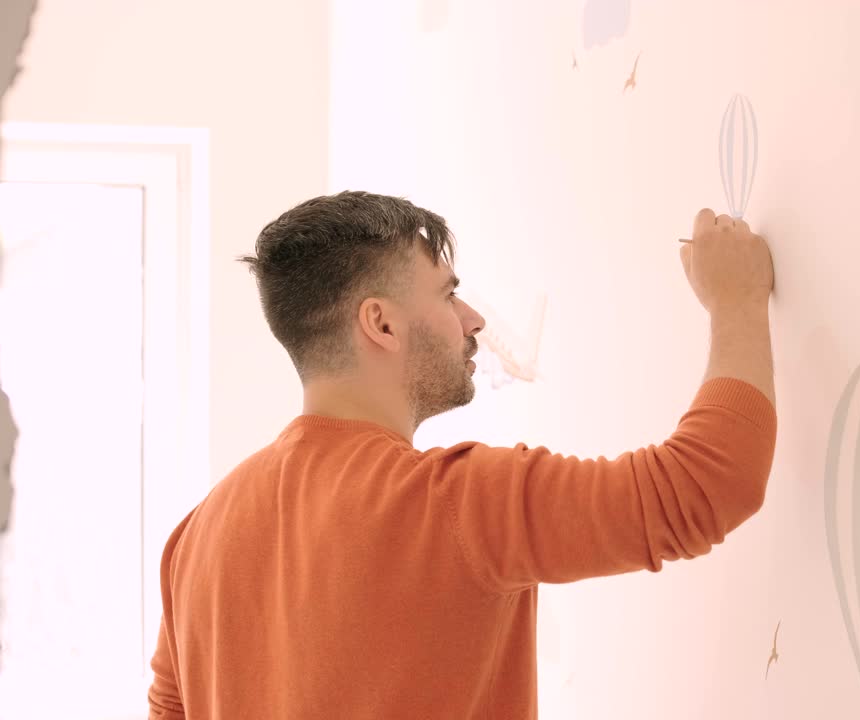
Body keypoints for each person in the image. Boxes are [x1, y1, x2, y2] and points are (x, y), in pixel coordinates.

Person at [146, 192, 777, 719]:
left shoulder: (195, 538)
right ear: (382, 324)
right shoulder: (454, 502)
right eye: (449, 295)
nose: (473, 319)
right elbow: (706, 484)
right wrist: (738, 304)